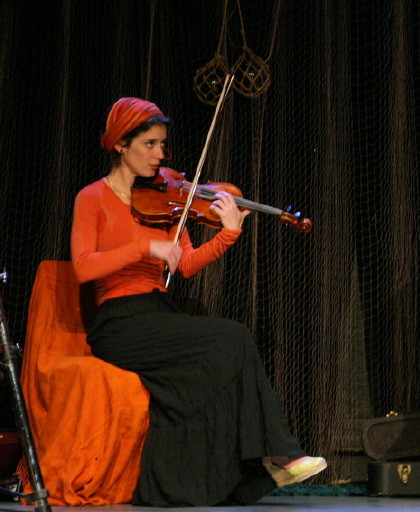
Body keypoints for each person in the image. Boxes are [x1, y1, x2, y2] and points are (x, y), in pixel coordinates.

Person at [70, 97, 326, 506]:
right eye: (149, 144)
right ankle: (280, 452)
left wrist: (227, 235)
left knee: (226, 351)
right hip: (119, 322)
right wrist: (144, 248)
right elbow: (83, 267)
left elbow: (185, 264)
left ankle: (230, 476)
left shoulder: (165, 199)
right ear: (120, 144)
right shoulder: (92, 198)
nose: (160, 156)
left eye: (161, 146)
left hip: (157, 312)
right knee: (232, 338)